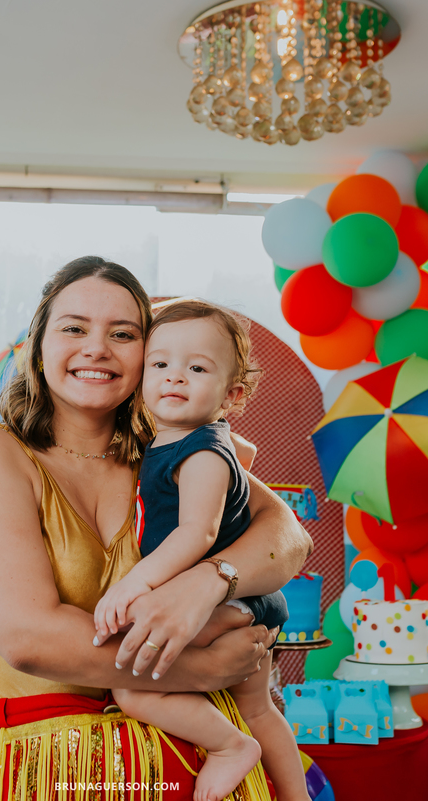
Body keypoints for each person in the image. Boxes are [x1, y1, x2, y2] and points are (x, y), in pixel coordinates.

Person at [0, 256, 311, 800]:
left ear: (149, 355)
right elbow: (28, 639)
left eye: (123, 333)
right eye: (73, 328)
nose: (97, 348)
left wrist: (207, 581)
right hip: (57, 767)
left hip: (199, 760)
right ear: (37, 349)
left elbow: (288, 537)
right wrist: (198, 668)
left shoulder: (170, 452)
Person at [92, 300, 308, 801]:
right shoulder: (188, 439)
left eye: (196, 368)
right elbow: (244, 459)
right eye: (160, 364)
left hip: (230, 601)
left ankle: (230, 747)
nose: (174, 378)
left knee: (130, 685)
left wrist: (135, 584)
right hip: (248, 602)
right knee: (260, 708)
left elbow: (197, 534)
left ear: (232, 393)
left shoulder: (203, 452)